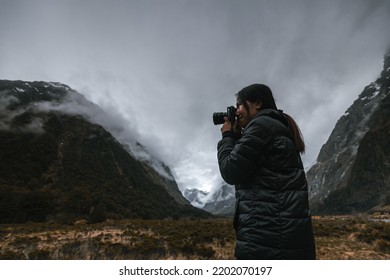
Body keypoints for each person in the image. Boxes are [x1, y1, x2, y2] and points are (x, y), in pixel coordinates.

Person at [217, 83, 316, 260]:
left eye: (240, 104)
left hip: (266, 237)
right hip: (279, 234)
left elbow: (231, 171)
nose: (237, 111)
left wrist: (227, 137)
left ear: (257, 104)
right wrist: (239, 137)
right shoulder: (274, 126)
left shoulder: (262, 127)